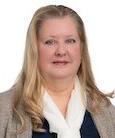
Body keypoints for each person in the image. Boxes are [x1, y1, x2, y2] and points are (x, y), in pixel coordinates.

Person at [0, 5, 115, 138]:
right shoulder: (3, 110)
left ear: (81, 48)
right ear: (34, 48)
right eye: (50, 42)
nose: (61, 51)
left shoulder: (106, 112)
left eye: (70, 41)